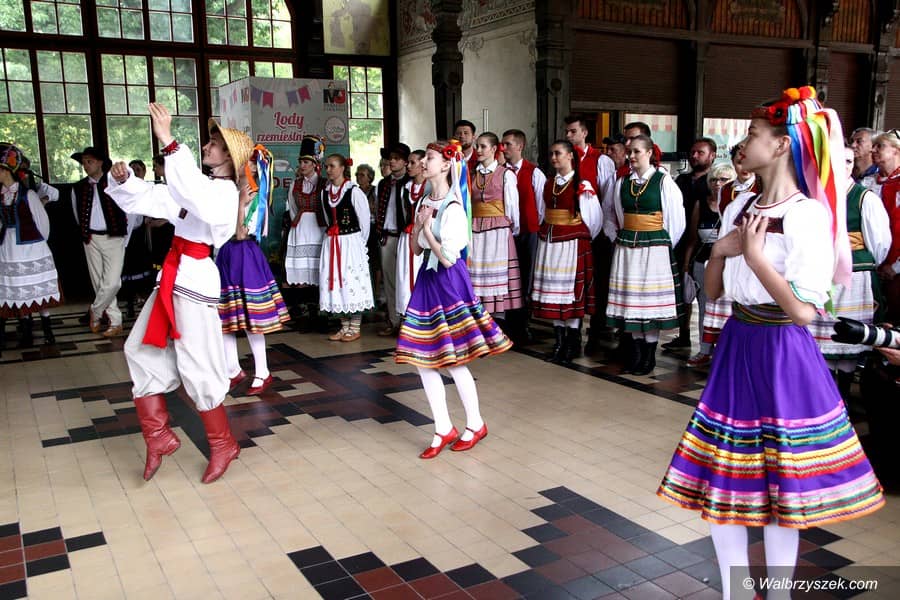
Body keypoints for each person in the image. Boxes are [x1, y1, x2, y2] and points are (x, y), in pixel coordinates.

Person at [657, 87, 884, 600]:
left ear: (782, 145)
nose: (744, 142)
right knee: (726, 482)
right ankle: (737, 592)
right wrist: (720, 253)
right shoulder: (740, 202)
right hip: (738, 343)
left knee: (785, 489)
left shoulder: (808, 214)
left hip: (783, 350)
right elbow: (715, 291)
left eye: (754, 134)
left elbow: (803, 310)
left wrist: (756, 257)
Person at [106, 104, 243, 484]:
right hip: (173, 277)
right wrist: (124, 182)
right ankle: (158, 435)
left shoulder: (224, 193)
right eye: (209, 141)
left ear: (229, 159)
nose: (207, 146)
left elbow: (193, 194)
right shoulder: (198, 188)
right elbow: (158, 196)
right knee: (139, 349)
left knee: (198, 364)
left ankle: (223, 443)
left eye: (214, 144)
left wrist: (168, 140)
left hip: (194, 281)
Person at [394, 140, 511, 458]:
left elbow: (447, 258)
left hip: (449, 283)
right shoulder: (424, 200)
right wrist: (418, 229)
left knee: (454, 359)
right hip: (427, 281)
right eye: (424, 158)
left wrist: (426, 229)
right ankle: (442, 426)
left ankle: (475, 423)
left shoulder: (454, 206)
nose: (424, 163)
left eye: (430, 158)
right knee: (423, 360)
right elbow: (415, 250)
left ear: (446, 165)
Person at [807, 145, 890, 398]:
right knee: (822, 337)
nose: (843, 166)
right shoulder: (814, 196)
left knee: (849, 336)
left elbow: (879, 243)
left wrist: (859, 262)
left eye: (848, 161)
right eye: (837, 160)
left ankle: (842, 394)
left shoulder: (865, 198)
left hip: (854, 276)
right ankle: (823, 395)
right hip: (821, 274)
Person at [607, 134, 685, 375]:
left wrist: (661, 244)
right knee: (632, 300)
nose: (631, 156)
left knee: (649, 302)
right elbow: (618, 214)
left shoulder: (663, 181)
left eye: (636, 151)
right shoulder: (622, 182)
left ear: (649, 153)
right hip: (628, 247)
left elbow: (676, 220)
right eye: (629, 152)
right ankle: (636, 353)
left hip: (654, 248)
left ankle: (649, 356)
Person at [217, 146, 290, 396]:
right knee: (225, 317)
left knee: (251, 318)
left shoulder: (255, 194)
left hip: (244, 255)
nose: (235, 164)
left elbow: (241, 233)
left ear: (252, 168)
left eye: (240, 161)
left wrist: (240, 204)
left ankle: (262, 371)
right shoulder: (229, 190)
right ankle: (232, 369)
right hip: (226, 255)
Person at [532, 140, 603, 363]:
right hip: (550, 243)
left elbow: (594, 219)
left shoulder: (582, 184)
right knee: (554, 291)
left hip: (571, 244)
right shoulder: (549, 183)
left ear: (571, 155)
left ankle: (572, 343)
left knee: (570, 293)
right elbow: (542, 211)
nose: (554, 158)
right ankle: (560, 342)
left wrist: (579, 235)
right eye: (552, 154)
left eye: (558, 153)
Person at [692, 141, 761, 368]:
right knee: (717, 299)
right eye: (738, 161)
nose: (743, 166)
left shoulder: (761, 187)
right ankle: (713, 350)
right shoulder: (727, 190)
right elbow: (725, 220)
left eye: (747, 160)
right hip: (730, 248)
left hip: (752, 251)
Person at [0, 143, 60, 354]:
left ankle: (47, 329)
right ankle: (26, 331)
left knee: (36, 287)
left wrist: (39, 243)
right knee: (17, 288)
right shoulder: (1, 195)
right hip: (8, 247)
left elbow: (42, 223)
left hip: (31, 246)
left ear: (6, 170)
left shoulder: (28, 195)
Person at [564, 115, 616, 351]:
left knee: (599, 280)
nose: (569, 135)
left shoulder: (601, 160)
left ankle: (598, 326)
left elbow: (607, 197)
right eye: (567, 132)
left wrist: (603, 229)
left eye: (573, 131)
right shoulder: (565, 157)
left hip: (597, 230)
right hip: (571, 231)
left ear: (585, 133)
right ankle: (571, 328)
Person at [679, 162, 736, 368]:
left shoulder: (735, 206)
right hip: (703, 261)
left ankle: (726, 351)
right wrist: (686, 265)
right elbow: (692, 238)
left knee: (728, 310)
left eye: (724, 180)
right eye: (714, 179)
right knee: (705, 306)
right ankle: (704, 349)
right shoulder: (700, 204)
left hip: (729, 264)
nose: (718, 184)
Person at [71, 146, 128, 337]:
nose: (85, 165)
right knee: (98, 281)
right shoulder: (78, 187)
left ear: (100, 162)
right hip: (91, 238)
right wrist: (85, 233)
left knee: (112, 283)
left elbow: (129, 210)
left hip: (114, 237)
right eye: (83, 162)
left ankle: (95, 311)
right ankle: (115, 321)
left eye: (89, 161)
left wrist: (125, 236)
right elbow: (77, 214)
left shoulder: (114, 183)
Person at [667, 137, 717, 351]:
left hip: (705, 240)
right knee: (683, 290)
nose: (695, 156)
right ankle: (683, 333)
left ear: (712, 155)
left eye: (700, 152)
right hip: (681, 239)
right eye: (693, 152)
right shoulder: (681, 180)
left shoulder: (715, 180)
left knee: (707, 296)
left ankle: (709, 343)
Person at [319, 153, 374, 341]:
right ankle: (344, 326)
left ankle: (355, 327)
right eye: (326, 166)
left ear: (342, 168)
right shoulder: (325, 193)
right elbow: (327, 219)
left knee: (352, 281)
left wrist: (358, 245)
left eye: (332, 166)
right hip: (332, 242)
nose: (328, 170)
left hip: (351, 243)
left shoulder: (354, 192)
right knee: (336, 282)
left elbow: (364, 221)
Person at [470, 132, 523, 319]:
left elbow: (512, 206)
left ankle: (497, 319)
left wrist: (510, 228)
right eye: (477, 146)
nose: (478, 150)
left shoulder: (506, 174)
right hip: (475, 229)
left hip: (498, 230)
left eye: (483, 146)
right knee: (477, 271)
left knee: (496, 273)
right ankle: (478, 318)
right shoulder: (472, 174)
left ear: (493, 149)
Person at [502, 128, 546, 343]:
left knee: (526, 277)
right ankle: (507, 323)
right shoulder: (500, 172)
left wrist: (532, 227)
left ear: (520, 146)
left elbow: (541, 206)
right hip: (506, 234)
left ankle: (523, 324)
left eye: (508, 144)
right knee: (508, 278)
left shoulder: (534, 172)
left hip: (528, 233)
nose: (504, 148)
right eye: (502, 144)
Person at [283, 136, 327, 332]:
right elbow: (293, 208)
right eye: (301, 162)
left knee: (317, 270)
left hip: (318, 229)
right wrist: (299, 223)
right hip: (301, 230)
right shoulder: (295, 184)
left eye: (306, 162)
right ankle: (306, 313)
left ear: (315, 164)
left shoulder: (324, 183)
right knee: (302, 273)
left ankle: (318, 311)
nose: (302, 165)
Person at [374, 143, 411, 336]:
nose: (392, 162)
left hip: (404, 236)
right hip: (387, 236)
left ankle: (408, 322)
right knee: (389, 280)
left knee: (405, 279)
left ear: (405, 162)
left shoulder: (410, 182)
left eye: (397, 158)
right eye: (390, 158)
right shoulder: (384, 183)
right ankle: (393, 320)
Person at [871, 129, 900, 322]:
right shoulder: (870, 183)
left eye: (880, 146)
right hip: (876, 266)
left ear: (896, 150)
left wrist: (896, 267)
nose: (873, 150)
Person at [396, 150, 428, 316]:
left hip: (425, 238)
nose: (408, 166)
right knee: (404, 275)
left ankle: (424, 315)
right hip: (406, 238)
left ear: (423, 165)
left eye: (412, 163)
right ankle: (406, 315)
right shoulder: (405, 188)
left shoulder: (430, 187)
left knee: (420, 273)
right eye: (408, 162)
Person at [356, 163, 381, 309]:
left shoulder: (375, 191)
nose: (358, 177)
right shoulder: (355, 191)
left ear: (370, 177)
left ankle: (376, 293)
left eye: (362, 175)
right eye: (357, 174)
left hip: (372, 228)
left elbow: (377, 209)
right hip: (359, 229)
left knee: (374, 260)